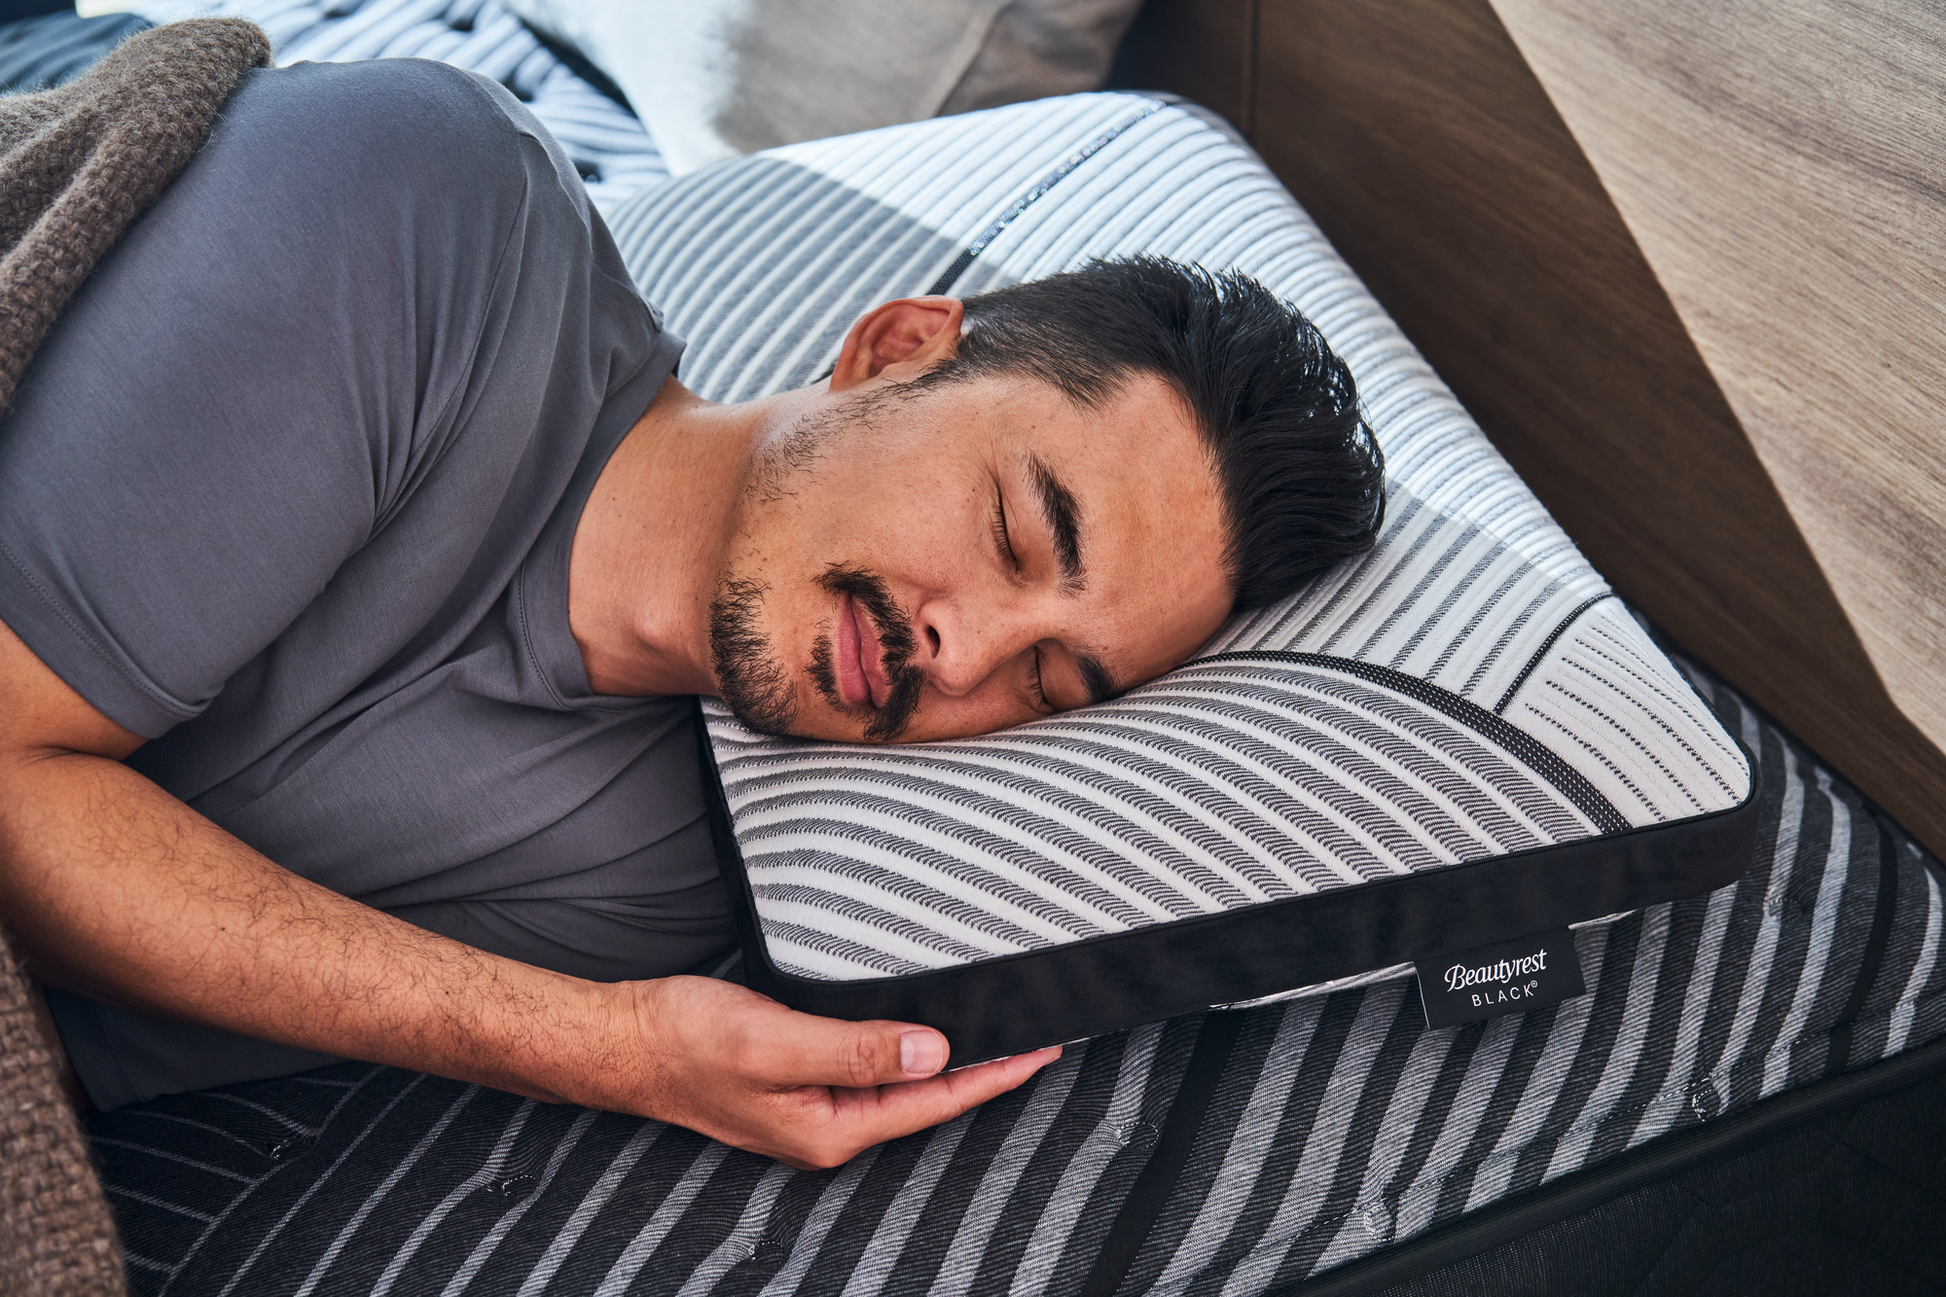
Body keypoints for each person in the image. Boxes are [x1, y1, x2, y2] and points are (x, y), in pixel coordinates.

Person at [0, 53, 1383, 1170]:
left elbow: (67, 1042)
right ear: (894, 350)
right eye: (1014, 532)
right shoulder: (421, 202)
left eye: (1050, 682)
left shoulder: (672, 880)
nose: (966, 653)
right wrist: (611, 1050)